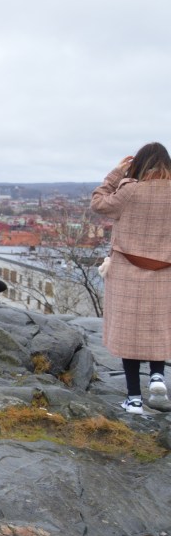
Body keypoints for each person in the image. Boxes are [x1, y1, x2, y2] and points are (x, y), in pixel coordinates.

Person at [90, 142, 171, 414]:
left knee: (130, 332)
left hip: (127, 270)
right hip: (166, 271)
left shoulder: (130, 190)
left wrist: (117, 173)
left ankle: (134, 399)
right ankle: (157, 377)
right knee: (159, 326)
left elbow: (98, 202)